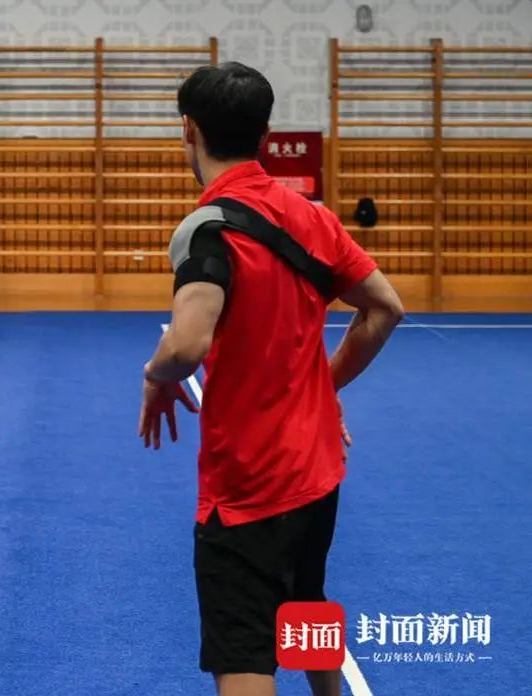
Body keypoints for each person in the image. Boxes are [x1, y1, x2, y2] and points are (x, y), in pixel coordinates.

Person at [138, 62, 404, 696]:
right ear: (265, 136)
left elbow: (187, 344)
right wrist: (324, 389)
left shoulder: (206, 230)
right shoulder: (312, 218)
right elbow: (385, 309)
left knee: (245, 653)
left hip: (247, 483)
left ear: (188, 129)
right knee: (305, 602)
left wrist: (156, 373)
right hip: (317, 466)